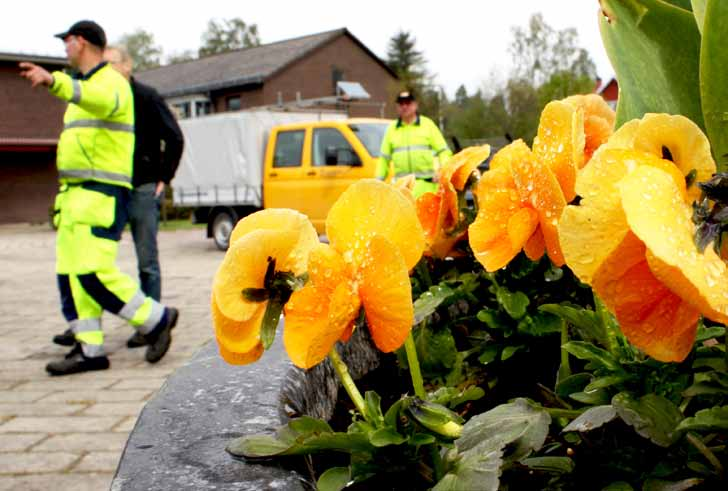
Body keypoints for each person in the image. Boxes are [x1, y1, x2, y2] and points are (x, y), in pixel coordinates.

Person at [20, 20, 179, 376]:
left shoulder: (111, 84)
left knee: (94, 273)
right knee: (72, 276)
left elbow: (101, 102)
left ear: (83, 42)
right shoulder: (85, 87)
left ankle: (156, 318)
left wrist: (54, 81)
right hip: (75, 197)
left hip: (101, 194)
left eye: (68, 41)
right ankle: (90, 350)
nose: (65, 49)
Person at [53, 45, 185, 349]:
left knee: (145, 259)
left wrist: (163, 176)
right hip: (107, 188)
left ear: (128, 66)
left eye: (112, 64)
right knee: (90, 261)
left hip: (139, 186)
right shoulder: (96, 92)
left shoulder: (146, 97)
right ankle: (85, 328)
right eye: (104, 63)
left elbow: (174, 136)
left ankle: (150, 324)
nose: (106, 69)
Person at [376, 90, 453, 197]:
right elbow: (384, 159)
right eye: (401, 104)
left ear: (415, 105)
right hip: (401, 189)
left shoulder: (427, 125)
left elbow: (443, 151)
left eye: (408, 103)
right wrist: (377, 183)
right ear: (397, 107)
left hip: (428, 189)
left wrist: (443, 171)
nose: (404, 106)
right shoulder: (391, 129)